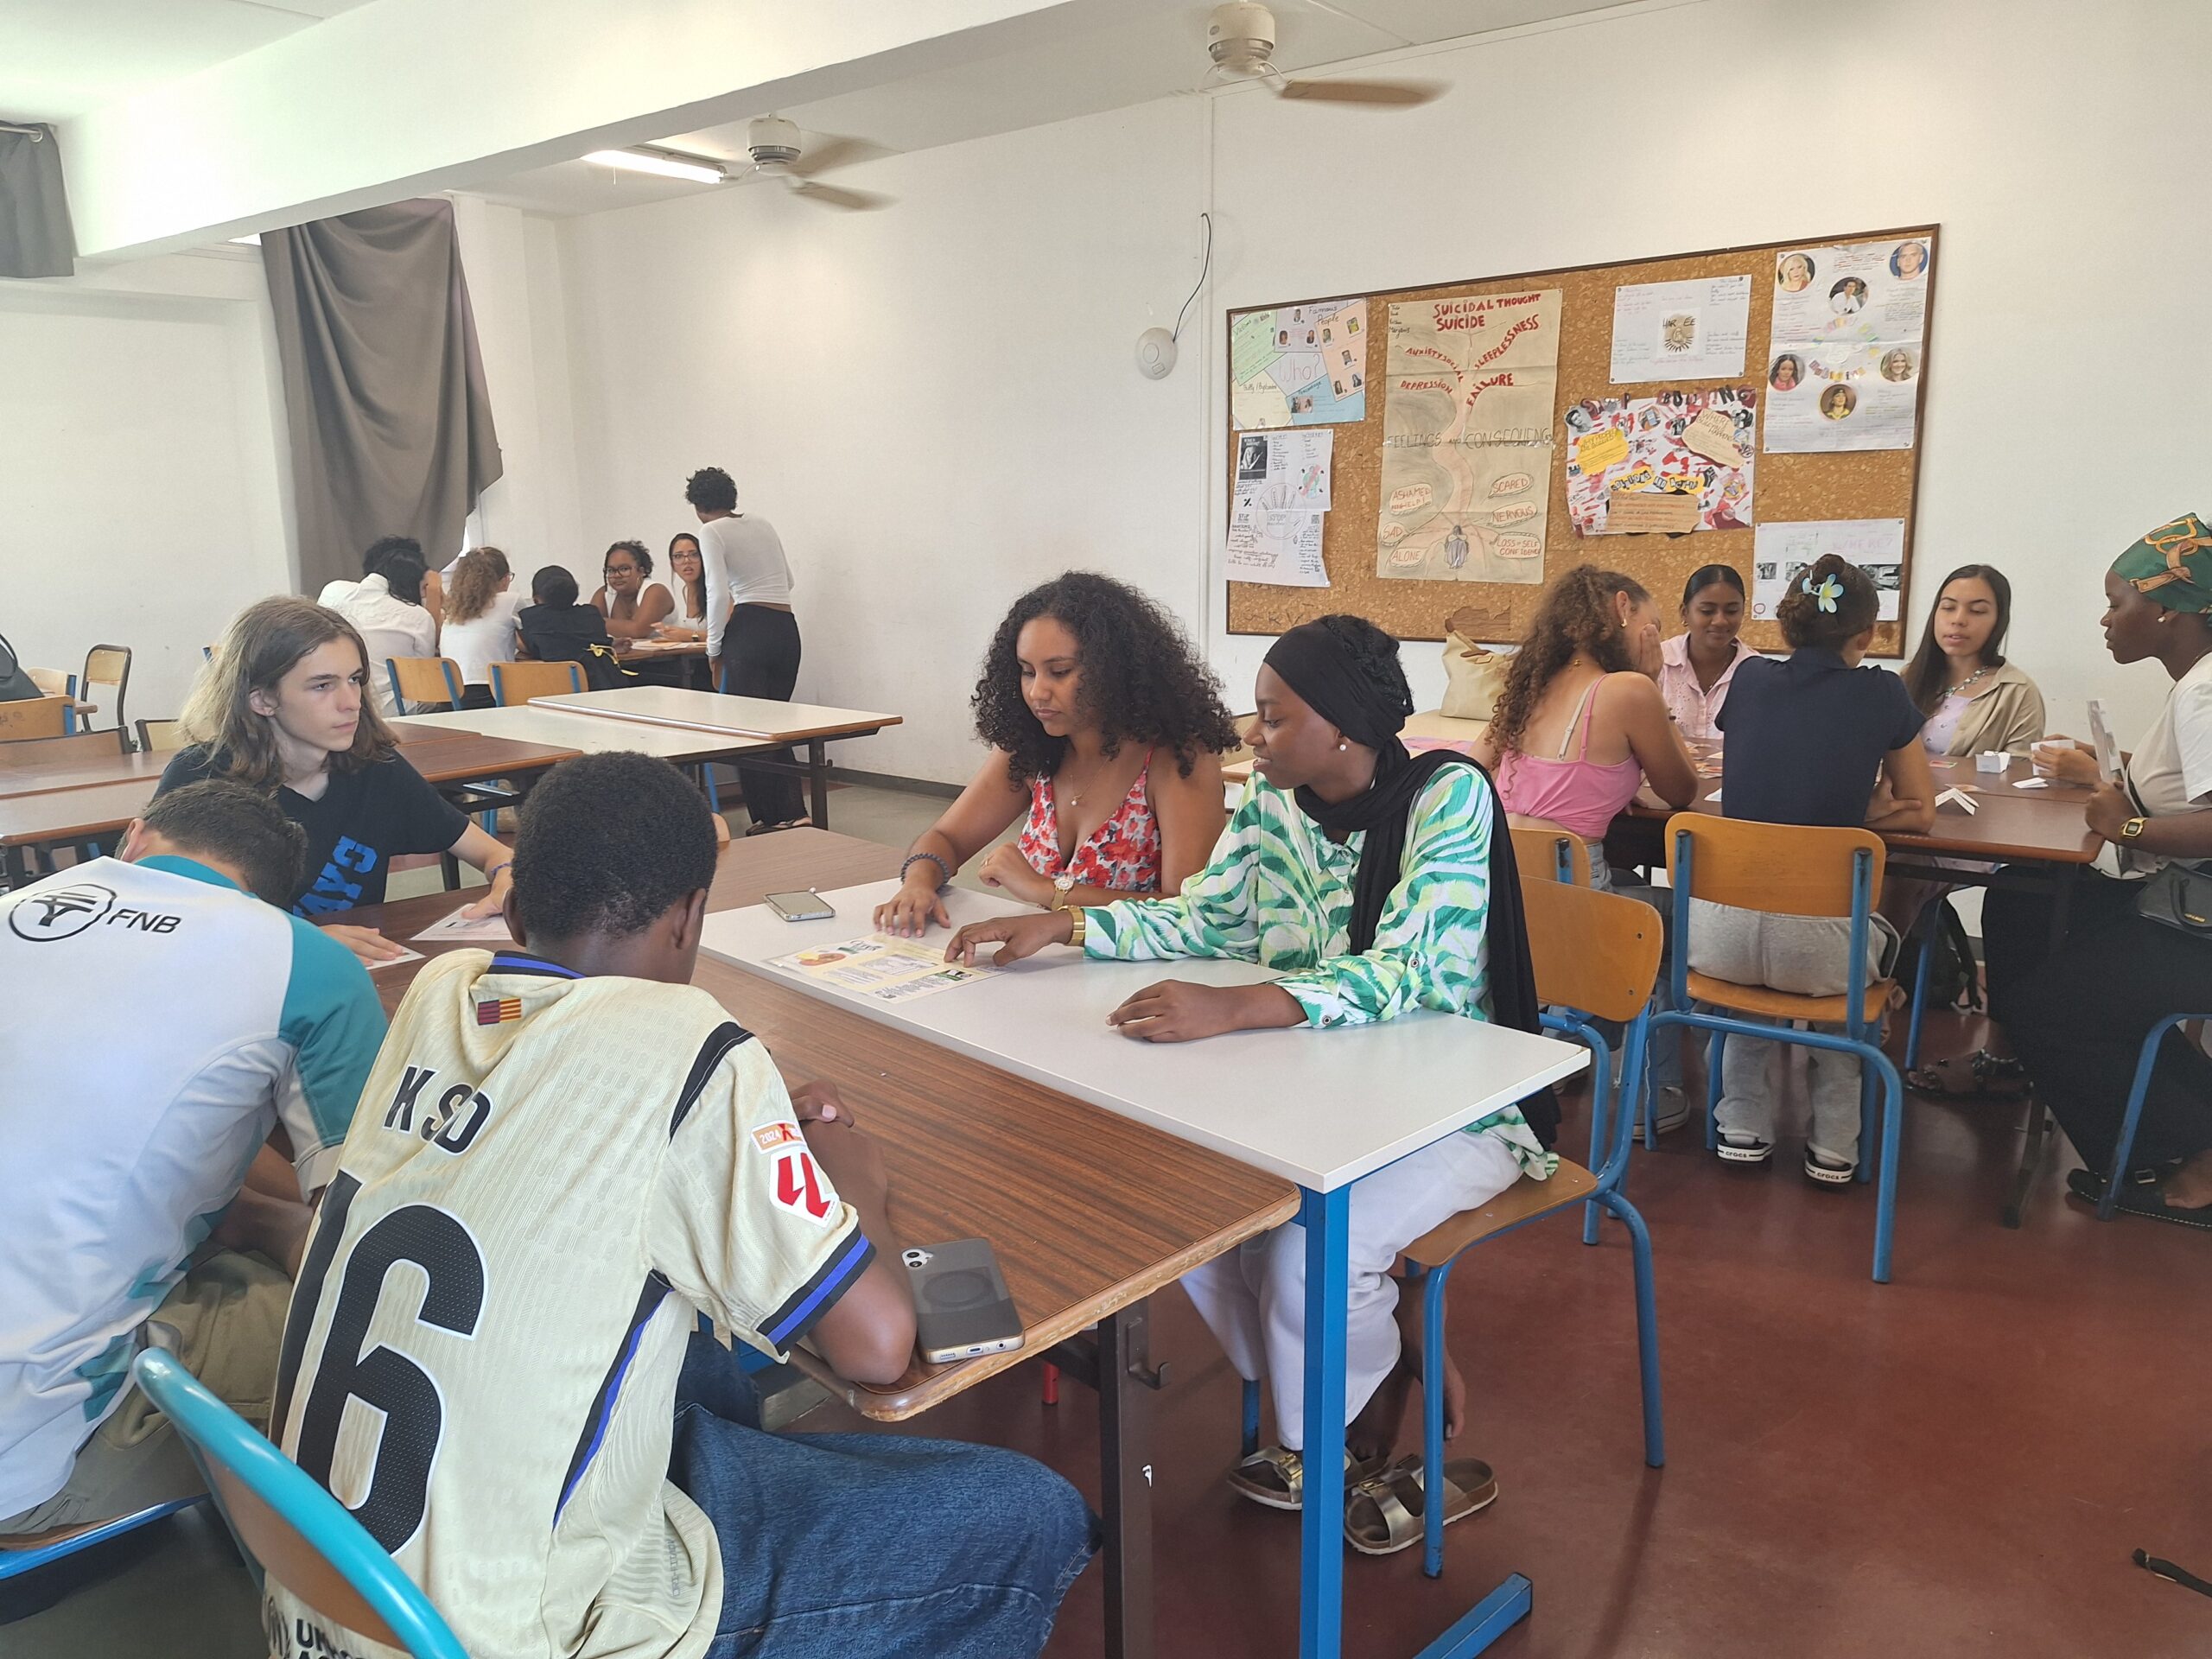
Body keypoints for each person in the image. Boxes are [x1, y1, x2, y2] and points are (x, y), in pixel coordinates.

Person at [266, 753, 1096, 1659]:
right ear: (691, 916)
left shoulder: (442, 994)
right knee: (1027, 1513)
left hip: (329, 1606)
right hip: (527, 1631)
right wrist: (853, 1178)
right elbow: (877, 1346)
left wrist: (732, 1118)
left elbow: (545, 1077)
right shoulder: (689, 1039)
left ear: (515, 905)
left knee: (695, 1357)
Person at [943, 616, 1558, 1541]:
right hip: (1317, 1087)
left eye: (1273, 718)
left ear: (1340, 726)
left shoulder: (1448, 796)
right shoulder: (1275, 801)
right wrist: (1067, 925)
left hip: (1457, 1107)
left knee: (1310, 1254)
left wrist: (1236, 1007)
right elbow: (1206, 918)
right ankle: (1347, 1394)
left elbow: (1414, 969)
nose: (1252, 736)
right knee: (1199, 1214)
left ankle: (1346, 1434)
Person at [0, 780, 385, 1536]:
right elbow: (371, 1225)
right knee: (381, 1337)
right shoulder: (302, 961)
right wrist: (284, 1230)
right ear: (270, 898)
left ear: (134, 838)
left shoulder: (21, 905)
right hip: (25, 1464)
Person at [1978, 515, 2212, 1227]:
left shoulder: (2204, 693)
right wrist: (2107, 765)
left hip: (2197, 924)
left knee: (2053, 1007)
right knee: (2022, 901)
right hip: (2185, 902)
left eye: (2117, 603)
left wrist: (2126, 826)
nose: (2106, 619)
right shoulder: (2197, 683)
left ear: (2166, 610)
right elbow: (2187, 783)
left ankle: (2195, 1163)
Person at [1692, 556, 1935, 1183]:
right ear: (1869, 634)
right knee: (1847, 991)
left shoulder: (1748, 678)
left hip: (1718, 943)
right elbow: (1922, 809)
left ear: (1787, 626)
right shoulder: (1883, 692)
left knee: (1750, 1000)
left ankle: (1742, 1125)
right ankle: (1834, 1146)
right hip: (1823, 955)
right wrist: (1863, 811)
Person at [158, 597, 515, 965]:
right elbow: (157, 916)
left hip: (355, 975)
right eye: (322, 685)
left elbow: (493, 853)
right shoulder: (200, 779)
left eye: (355, 680)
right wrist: (295, 940)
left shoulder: (376, 768)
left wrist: (507, 875)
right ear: (262, 699)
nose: (351, 702)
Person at [874, 574, 1236, 936]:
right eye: (1027, 672)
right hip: (1044, 958)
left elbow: (1187, 910)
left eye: (1059, 672)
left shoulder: (1176, 758)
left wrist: (1047, 891)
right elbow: (946, 838)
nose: (1037, 692)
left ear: (1114, 671)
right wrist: (918, 883)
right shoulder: (1033, 748)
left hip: (1143, 964)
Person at [1474, 566, 1700, 1121]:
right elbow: (1682, 790)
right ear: (1622, 608)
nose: (1655, 639)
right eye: (1652, 625)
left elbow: (1469, 772)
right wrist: (1654, 682)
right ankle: (1651, 1097)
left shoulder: (1529, 686)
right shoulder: (1629, 689)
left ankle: (1562, 1047)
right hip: (1576, 901)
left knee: (1625, 886)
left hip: (1505, 898)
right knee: (1682, 919)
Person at [687, 465, 806, 830]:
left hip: (749, 630)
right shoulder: (762, 523)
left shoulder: (710, 531)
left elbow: (718, 592)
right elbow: (789, 580)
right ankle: (795, 812)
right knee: (776, 725)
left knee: (749, 729)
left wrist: (713, 650)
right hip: (786, 629)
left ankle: (767, 818)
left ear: (698, 506)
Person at [1899, 564, 2044, 758]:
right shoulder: (1907, 677)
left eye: (1977, 611)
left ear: (1999, 621)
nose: (1958, 620)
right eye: (1948, 608)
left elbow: (2019, 769)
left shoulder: (2017, 692)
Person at [317, 537, 439, 718]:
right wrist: (435, 596)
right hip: (394, 709)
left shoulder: (333, 591)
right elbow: (423, 674)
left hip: (334, 703)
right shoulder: (418, 616)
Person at [1658, 564, 1757, 741]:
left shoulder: (1756, 671)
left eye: (1732, 611)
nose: (1720, 621)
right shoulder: (1659, 661)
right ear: (1684, 613)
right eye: (1707, 611)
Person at [517, 563, 626, 691]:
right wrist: (610, 643)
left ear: (536, 600)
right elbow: (591, 641)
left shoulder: (533, 618)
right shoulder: (591, 614)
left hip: (557, 692)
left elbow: (524, 645)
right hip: (603, 689)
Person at [440, 545, 520, 711]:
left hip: (450, 695)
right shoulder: (510, 600)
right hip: (490, 694)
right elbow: (530, 640)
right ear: (504, 579)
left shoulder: (453, 609)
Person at [592, 539, 674, 639]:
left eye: (624, 569)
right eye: (611, 570)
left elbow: (638, 631)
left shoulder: (657, 591)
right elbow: (589, 627)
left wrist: (597, 622)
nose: (617, 575)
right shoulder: (603, 594)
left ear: (642, 571)